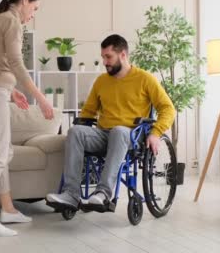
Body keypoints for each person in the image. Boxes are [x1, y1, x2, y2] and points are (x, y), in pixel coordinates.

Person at [46, 34, 175, 211]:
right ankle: (71, 194)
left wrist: (155, 133)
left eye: (109, 57)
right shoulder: (101, 81)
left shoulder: (145, 79)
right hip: (104, 134)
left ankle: (103, 193)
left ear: (123, 55)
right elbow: (89, 112)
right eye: (103, 57)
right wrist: (80, 128)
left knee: (119, 131)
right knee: (75, 131)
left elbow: (168, 108)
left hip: (130, 136)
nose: (105, 62)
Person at [0, 0, 54, 237]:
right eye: (35, 8)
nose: (33, 14)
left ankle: (7, 208)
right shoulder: (11, 22)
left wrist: (11, 90)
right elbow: (16, 62)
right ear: (25, 0)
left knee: (3, 151)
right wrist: (40, 98)